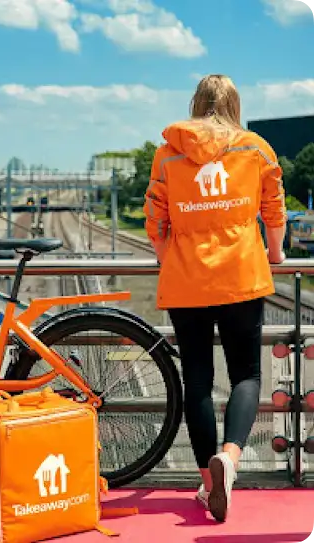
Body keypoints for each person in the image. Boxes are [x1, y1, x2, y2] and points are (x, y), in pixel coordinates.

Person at [143, 74, 287, 523]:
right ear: (234, 105)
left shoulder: (169, 153)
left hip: (188, 280)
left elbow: (155, 218)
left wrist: (173, 259)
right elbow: (274, 209)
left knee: (198, 382)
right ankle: (231, 456)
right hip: (241, 273)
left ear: (196, 103)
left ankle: (209, 483)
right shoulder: (255, 148)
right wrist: (277, 252)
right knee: (246, 373)